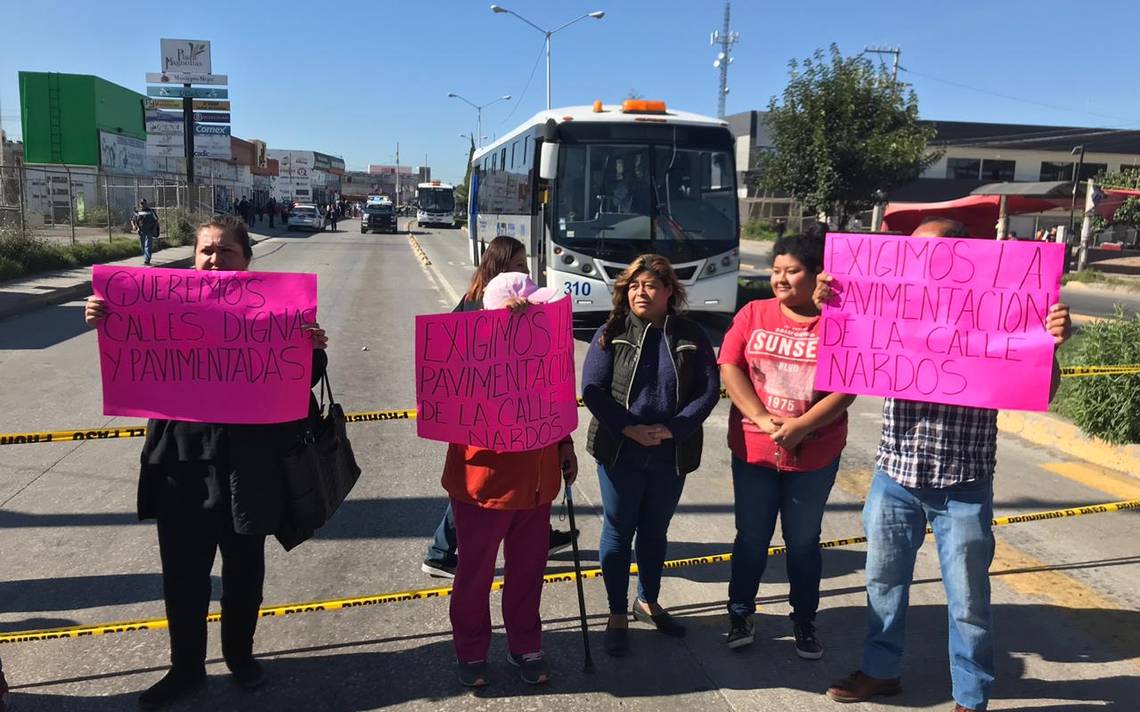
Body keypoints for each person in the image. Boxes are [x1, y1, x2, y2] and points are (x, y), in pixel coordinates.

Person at [822, 217, 1072, 712]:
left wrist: (1048, 349)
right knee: (883, 583)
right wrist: (835, 307)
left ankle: (970, 695)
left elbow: (1042, 391)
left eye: (931, 253)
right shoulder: (892, 305)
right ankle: (881, 671)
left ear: (961, 253)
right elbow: (846, 350)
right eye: (911, 253)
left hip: (965, 482)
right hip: (896, 474)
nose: (917, 263)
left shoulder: (997, 311)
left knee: (969, 599)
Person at [84, 215, 331, 710]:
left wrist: (311, 349)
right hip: (182, 466)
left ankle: (240, 658)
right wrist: (105, 317)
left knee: (245, 575)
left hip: (249, 468)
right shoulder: (159, 307)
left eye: (226, 252)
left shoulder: (275, 314)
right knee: (183, 576)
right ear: (193, 257)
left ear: (247, 259)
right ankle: (186, 670)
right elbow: (133, 358)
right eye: (206, 252)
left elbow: (298, 385)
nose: (214, 260)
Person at [441, 256, 577, 688]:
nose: (536, 313)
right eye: (528, 307)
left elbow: (556, 403)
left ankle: (525, 644)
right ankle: (471, 650)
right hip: (482, 482)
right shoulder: (469, 348)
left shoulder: (545, 346)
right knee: (474, 573)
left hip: (537, 485)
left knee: (528, 571)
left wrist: (566, 444)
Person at [719, 231, 855, 660]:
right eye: (776, 270)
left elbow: (850, 384)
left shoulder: (839, 321)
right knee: (751, 538)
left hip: (813, 456)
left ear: (816, 274)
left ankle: (804, 619)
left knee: (802, 541)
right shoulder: (753, 313)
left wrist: (801, 427)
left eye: (792, 271)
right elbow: (730, 367)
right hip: (754, 453)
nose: (780, 279)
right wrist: (760, 420)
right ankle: (740, 614)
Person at [582, 254, 720, 656]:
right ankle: (616, 613)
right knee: (619, 530)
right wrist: (629, 427)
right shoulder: (611, 332)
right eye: (634, 286)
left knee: (656, 530)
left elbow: (708, 390)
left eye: (650, 286)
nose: (641, 292)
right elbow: (592, 389)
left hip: (669, 452)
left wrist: (673, 428)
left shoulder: (690, 334)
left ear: (669, 292)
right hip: (621, 449)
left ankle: (648, 600)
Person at [422, 236, 577, 580]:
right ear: (500, 269)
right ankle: (442, 551)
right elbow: (455, 372)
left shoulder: (531, 314)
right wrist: (499, 327)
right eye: (520, 266)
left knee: (522, 578)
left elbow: (549, 384)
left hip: (530, 467)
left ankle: (443, 549)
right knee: (475, 516)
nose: (527, 271)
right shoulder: (474, 309)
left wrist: (563, 442)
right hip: (484, 458)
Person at [131, 199, 160, 266]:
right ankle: (145, 256)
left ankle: (147, 259)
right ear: (139, 204)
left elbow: (156, 220)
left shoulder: (151, 211)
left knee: (148, 245)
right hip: (141, 231)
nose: (143, 205)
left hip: (149, 230)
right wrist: (134, 226)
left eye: (144, 203)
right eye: (141, 203)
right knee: (143, 245)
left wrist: (154, 228)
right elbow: (132, 220)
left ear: (146, 204)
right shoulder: (137, 212)